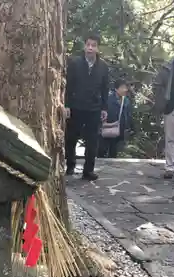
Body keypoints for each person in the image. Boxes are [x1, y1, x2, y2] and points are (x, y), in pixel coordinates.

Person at [64, 33, 109, 181]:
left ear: (97, 48)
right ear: (84, 46)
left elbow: (105, 88)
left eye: (93, 45)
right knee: (71, 138)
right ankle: (70, 165)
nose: (90, 48)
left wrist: (104, 108)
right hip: (76, 106)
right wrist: (67, 105)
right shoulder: (75, 63)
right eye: (88, 44)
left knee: (92, 141)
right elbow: (68, 86)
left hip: (94, 108)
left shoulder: (103, 67)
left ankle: (88, 170)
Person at [98, 79, 134, 158]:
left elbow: (129, 115)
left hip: (120, 129)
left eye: (126, 87)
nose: (125, 90)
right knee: (102, 150)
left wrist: (130, 127)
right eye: (122, 87)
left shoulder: (126, 101)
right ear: (116, 89)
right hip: (108, 128)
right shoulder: (108, 99)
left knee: (114, 152)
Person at [153, 58, 174, 179]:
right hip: (171, 107)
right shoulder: (167, 67)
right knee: (170, 139)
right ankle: (170, 167)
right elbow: (157, 84)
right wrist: (163, 102)